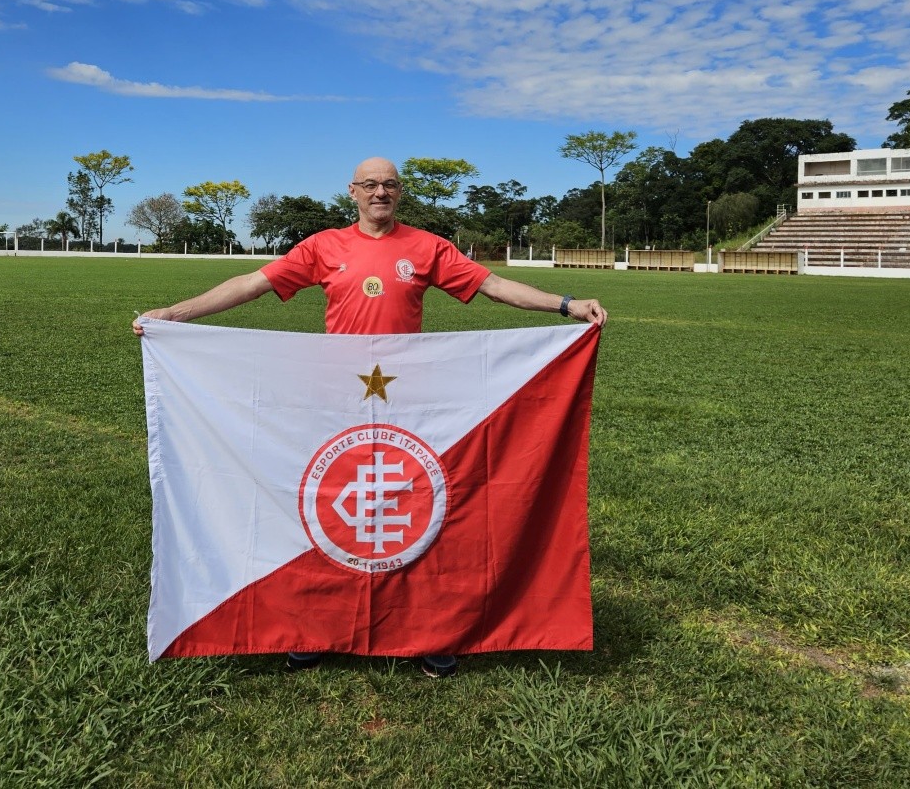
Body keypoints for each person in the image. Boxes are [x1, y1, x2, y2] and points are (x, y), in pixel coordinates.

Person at [134, 157, 607, 677]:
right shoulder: (323, 246)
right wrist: (173, 316)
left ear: (399, 194)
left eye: (389, 185)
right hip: (336, 402)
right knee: (330, 505)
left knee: (421, 508)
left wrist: (565, 304)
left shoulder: (426, 247)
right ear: (353, 192)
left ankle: (432, 630)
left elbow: (493, 285)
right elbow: (253, 283)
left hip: (411, 400)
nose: (380, 192)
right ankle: (315, 626)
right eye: (370, 185)